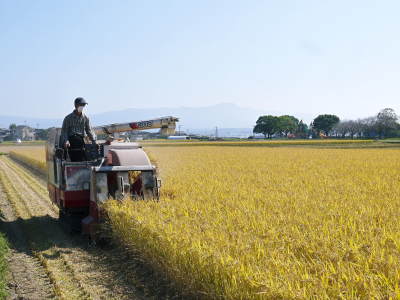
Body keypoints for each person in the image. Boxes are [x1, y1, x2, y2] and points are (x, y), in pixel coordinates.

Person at [60, 97, 96, 162]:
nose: (82, 107)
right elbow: (64, 131)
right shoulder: (68, 118)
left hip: (81, 141)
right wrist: (66, 141)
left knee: (86, 156)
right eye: (81, 105)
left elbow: (89, 130)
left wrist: (93, 140)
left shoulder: (85, 118)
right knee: (69, 155)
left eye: (83, 105)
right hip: (71, 141)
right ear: (76, 105)